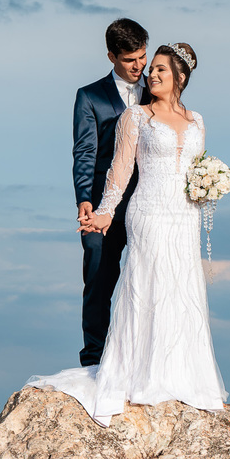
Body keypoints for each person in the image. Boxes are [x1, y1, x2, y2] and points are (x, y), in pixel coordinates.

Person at [28, 43, 227, 426]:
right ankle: (139, 374)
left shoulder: (198, 120)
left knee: (181, 288)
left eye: (160, 70)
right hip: (148, 211)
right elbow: (118, 173)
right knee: (148, 286)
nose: (151, 75)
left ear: (180, 78)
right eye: (150, 69)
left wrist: (209, 185)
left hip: (184, 216)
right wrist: (103, 213)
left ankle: (183, 375)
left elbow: (196, 167)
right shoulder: (136, 117)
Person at [72, 18, 152, 368]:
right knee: (99, 279)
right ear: (111, 57)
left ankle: (143, 359)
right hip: (103, 206)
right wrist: (85, 200)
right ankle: (93, 359)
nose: (139, 67)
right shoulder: (90, 96)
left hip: (149, 204)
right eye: (130, 60)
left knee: (149, 282)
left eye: (143, 57)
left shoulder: (159, 91)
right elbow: (85, 153)